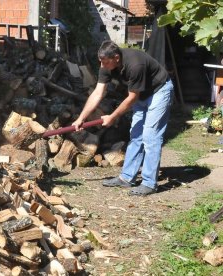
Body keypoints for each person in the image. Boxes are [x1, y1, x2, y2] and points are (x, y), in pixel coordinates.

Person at [72, 40, 174, 196]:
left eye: (106, 62)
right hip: (141, 95)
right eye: (101, 61)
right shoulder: (105, 65)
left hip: (159, 92)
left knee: (150, 136)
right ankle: (127, 178)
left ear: (116, 58)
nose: (102, 65)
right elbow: (98, 93)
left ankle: (149, 183)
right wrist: (81, 118)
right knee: (136, 135)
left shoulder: (135, 64)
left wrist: (112, 116)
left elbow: (132, 98)